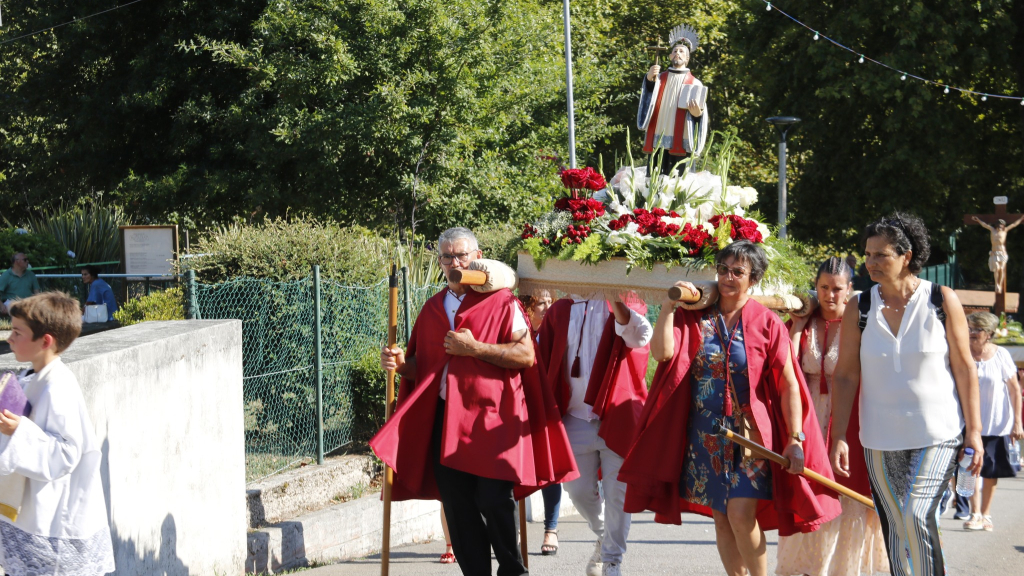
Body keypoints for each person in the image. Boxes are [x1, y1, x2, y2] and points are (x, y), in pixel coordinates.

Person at [619, 240, 841, 576]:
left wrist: (795, 438)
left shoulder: (767, 322)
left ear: (754, 279)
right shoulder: (695, 316)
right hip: (704, 436)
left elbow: (789, 385)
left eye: (738, 272)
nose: (728, 277)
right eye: (723, 269)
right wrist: (668, 306)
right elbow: (662, 354)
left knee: (739, 514)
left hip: (750, 438)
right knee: (721, 518)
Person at [369, 227, 577, 576]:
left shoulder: (503, 301)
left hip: (493, 418)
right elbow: (425, 367)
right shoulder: (433, 308)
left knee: (495, 500)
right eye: (447, 256)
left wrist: (475, 348)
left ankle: (513, 571)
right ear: (439, 261)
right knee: (457, 507)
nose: (455, 262)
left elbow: (526, 355)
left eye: (461, 255)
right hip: (445, 421)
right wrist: (401, 364)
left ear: (478, 257)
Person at [830, 212, 983, 576]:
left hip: (938, 432)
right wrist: (838, 435)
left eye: (881, 255)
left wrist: (975, 431)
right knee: (896, 526)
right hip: (879, 437)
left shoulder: (941, 300)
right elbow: (846, 375)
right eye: (868, 254)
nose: (870, 262)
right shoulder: (860, 307)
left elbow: (965, 368)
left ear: (906, 256)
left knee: (916, 515)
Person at [776, 257, 889, 576]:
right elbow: (786, 366)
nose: (830, 295)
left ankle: (841, 569)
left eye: (837, 288)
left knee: (845, 488)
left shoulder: (863, 323)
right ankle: (809, 567)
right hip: (808, 414)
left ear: (849, 288)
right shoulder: (804, 319)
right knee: (808, 485)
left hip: (849, 415)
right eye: (824, 287)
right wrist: (798, 328)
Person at [535, 291, 653, 576]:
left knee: (617, 495)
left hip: (616, 414)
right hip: (574, 416)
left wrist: (614, 296)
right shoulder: (560, 309)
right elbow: (539, 357)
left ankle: (612, 561)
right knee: (576, 491)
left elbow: (640, 337)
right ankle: (604, 536)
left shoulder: (624, 301)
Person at [0, 292, 115, 575]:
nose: (9, 338)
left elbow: (66, 453)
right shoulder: (32, 377)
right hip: (32, 513)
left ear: (45, 341)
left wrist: (19, 430)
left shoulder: (59, 387)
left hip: (55, 522)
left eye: (17, 332)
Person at [956, 312, 1022, 532]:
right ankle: (974, 513)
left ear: (990, 334)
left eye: (978, 329)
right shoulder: (961, 352)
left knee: (991, 471)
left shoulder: (1001, 355)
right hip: (967, 422)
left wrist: (1017, 423)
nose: (972, 333)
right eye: (970, 328)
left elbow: (1015, 390)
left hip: (996, 422)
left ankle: (986, 514)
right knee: (970, 468)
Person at [638, 24, 708, 173]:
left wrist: (697, 115)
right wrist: (649, 79)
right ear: (670, 56)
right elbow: (648, 96)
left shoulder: (695, 83)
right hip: (659, 129)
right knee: (655, 173)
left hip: (682, 136)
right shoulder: (658, 78)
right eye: (675, 51)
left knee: (680, 177)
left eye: (682, 51)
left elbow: (700, 113)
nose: (678, 53)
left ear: (687, 58)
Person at [523, 289, 562, 556]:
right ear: (528, 307)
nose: (547, 307)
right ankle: (513, 530)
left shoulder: (556, 331)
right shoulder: (519, 329)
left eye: (550, 302)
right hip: (520, 405)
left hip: (548, 405)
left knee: (550, 468)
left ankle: (551, 529)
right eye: (541, 303)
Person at [972, 215, 1024, 294]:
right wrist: (978, 220)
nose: (1000, 226)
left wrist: (1021, 219)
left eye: (1002, 225)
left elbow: (1014, 224)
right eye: (999, 225)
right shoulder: (992, 230)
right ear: (996, 225)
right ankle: (997, 284)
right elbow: (984, 225)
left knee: (1002, 269)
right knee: (997, 268)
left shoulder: (1005, 231)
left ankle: (1000, 285)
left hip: (1002, 253)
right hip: (994, 253)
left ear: (1003, 226)